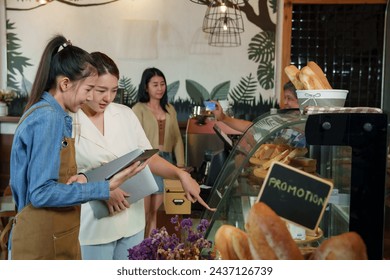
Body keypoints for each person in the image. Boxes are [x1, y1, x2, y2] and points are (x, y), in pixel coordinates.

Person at [8, 35, 145, 260]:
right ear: (64, 84)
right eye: (89, 88)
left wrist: (81, 177)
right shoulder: (48, 118)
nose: (91, 96)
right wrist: (104, 187)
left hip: (51, 235)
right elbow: (41, 193)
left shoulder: (52, 113)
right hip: (41, 240)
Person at [72, 53, 212, 260]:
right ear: (85, 84)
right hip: (93, 226)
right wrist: (103, 190)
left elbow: (147, 157)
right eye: (101, 90)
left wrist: (180, 175)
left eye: (113, 90)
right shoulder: (68, 120)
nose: (107, 98)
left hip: (132, 221)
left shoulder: (125, 114)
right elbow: (65, 176)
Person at [132, 67, 186, 238]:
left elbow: (177, 139)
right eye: (155, 84)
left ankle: (152, 250)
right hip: (146, 162)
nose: (160, 88)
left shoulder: (170, 109)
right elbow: (133, 141)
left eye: (162, 84)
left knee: (157, 211)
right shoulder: (137, 109)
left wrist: (181, 165)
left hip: (167, 162)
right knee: (144, 212)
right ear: (146, 87)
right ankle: (139, 250)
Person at [212, 82, 299, 133]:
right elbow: (251, 127)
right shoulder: (283, 121)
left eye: (289, 98)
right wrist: (223, 117)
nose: (285, 102)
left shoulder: (308, 126)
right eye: (285, 98)